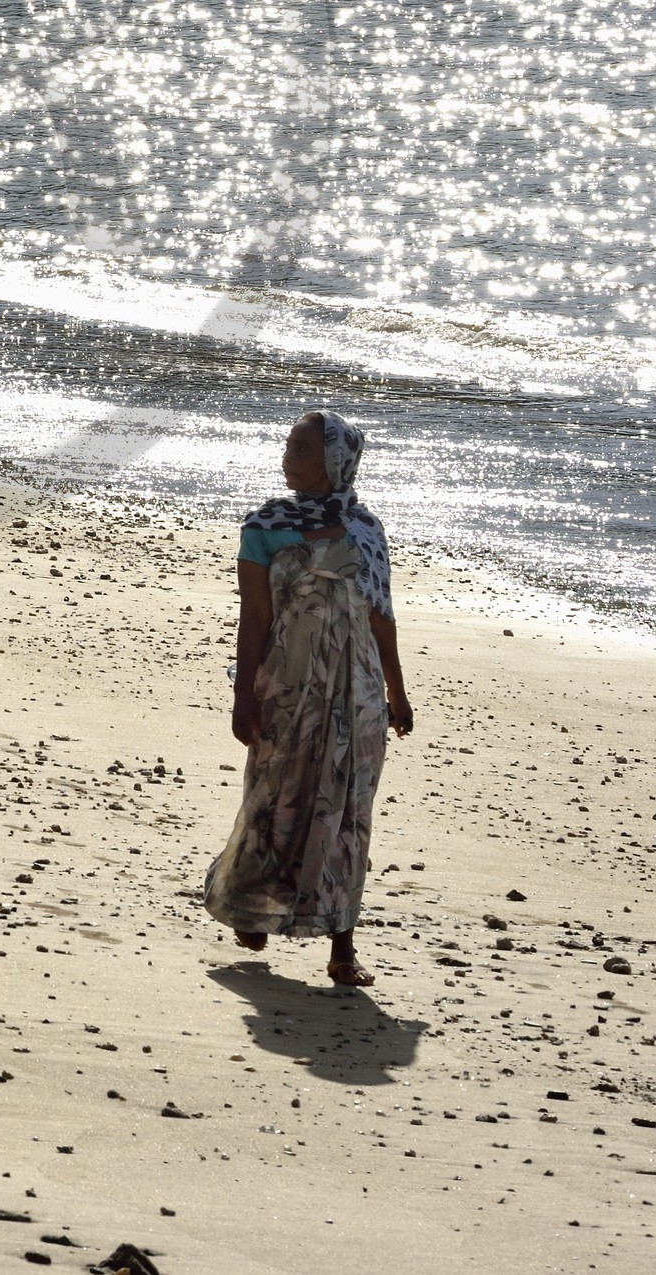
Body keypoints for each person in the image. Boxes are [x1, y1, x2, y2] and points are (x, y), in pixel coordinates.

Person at [203, 408, 413, 987]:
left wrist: (397, 690)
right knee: (275, 797)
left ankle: (342, 946)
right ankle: (251, 903)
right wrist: (243, 695)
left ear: (335, 461)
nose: (287, 454)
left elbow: (382, 618)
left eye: (301, 447)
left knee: (347, 809)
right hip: (289, 687)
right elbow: (255, 618)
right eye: (289, 445)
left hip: (358, 693)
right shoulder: (266, 526)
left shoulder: (365, 530)